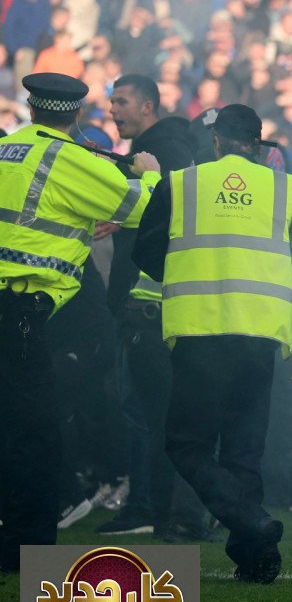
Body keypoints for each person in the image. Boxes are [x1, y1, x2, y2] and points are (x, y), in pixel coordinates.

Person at [133, 104, 292, 584]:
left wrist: (188, 273)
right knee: (243, 450)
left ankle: (251, 523)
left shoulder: (182, 183)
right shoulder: (289, 188)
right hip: (260, 334)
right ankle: (257, 561)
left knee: (186, 443)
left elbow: (145, 251)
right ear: (259, 146)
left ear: (215, 141)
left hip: (199, 331)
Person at [0, 73, 159, 572]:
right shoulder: (67, 157)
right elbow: (136, 205)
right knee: (38, 431)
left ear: (30, 107)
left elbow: (40, 212)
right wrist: (148, 171)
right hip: (28, 309)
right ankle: (26, 546)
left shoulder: (9, 148)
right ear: (75, 115)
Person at [100, 73, 210, 540]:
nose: (112, 109)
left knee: (151, 416)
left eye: (121, 101)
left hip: (150, 303)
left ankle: (156, 508)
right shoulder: (171, 146)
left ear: (148, 107)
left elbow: (167, 213)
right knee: (151, 413)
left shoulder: (160, 151)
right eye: (111, 101)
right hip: (159, 303)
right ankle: (161, 509)